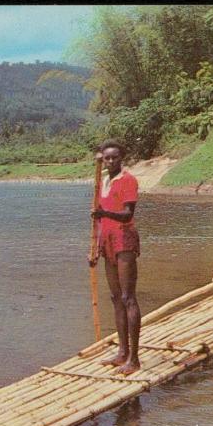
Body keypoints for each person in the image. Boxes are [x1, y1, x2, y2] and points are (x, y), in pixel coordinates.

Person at [88, 140, 142, 375]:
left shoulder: (128, 180)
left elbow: (127, 213)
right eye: (107, 158)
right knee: (115, 297)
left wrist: (104, 212)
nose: (110, 161)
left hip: (124, 240)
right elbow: (99, 220)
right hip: (107, 242)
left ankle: (134, 359)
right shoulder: (102, 181)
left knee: (128, 297)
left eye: (115, 158)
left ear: (122, 158)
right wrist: (95, 249)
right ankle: (122, 352)